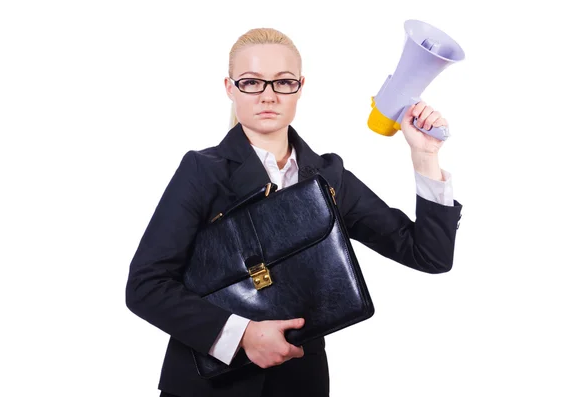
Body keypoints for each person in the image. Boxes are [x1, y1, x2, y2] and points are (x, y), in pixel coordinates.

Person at [125, 27, 463, 397]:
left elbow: (428, 255)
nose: (268, 95)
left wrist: (425, 156)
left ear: (300, 87)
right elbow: (146, 285)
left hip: (301, 383)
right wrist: (243, 335)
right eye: (252, 82)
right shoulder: (203, 171)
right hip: (207, 387)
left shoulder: (329, 176)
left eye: (283, 82)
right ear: (229, 88)